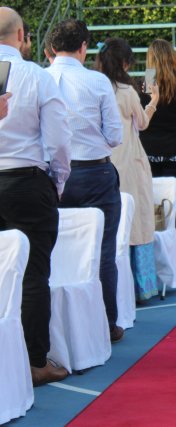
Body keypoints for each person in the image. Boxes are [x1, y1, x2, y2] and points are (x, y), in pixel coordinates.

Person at [0, 6, 71, 384]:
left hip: (22, 177)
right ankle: (33, 361)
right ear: (23, 36)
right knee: (32, 274)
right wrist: (54, 183)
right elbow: (59, 140)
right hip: (26, 180)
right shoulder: (38, 77)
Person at [47, 19, 125, 342]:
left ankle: (57, 326)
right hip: (94, 172)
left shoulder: (40, 78)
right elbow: (114, 135)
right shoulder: (97, 82)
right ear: (83, 48)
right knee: (104, 251)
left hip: (51, 175)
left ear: (51, 49)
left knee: (53, 252)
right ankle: (107, 323)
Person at [95, 37, 160, 302]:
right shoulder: (127, 91)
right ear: (124, 63)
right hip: (131, 162)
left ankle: (113, 291)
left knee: (111, 226)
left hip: (103, 163)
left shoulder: (95, 87)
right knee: (138, 221)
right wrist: (154, 99)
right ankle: (141, 288)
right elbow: (142, 123)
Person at [139, 39, 176, 252]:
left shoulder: (147, 82)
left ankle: (156, 260)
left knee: (155, 208)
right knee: (172, 208)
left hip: (150, 152)